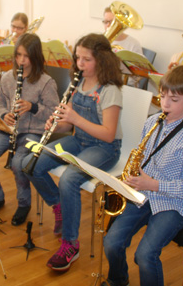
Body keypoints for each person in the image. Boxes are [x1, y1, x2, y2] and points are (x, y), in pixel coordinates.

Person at [93, 65, 183, 286]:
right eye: (163, 96)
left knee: (145, 255)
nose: (165, 104)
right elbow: (142, 157)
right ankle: (119, 278)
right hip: (142, 194)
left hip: (173, 203)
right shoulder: (151, 123)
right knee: (112, 241)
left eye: (174, 99)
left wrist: (153, 184)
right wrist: (130, 179)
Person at [24, 33, 124, 271]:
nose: (80, 64)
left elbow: (109, 133)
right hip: (79, 140)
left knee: (69, 178)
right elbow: (68, 125)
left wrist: (75, 118)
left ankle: (71, 244)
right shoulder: (77, 82)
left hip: (105, 148)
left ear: (101, 60)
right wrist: (56, 125)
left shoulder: (110, 90)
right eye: (77, 58)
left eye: (86, 59)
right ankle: (59, 206)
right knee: (31, 163)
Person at [0, 33, 59, 225]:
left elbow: (54, 112)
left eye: (26, 56)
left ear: (35, 56)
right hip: (10, 128)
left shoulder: (46, 82)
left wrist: (33, 107)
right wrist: (3, 115)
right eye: (18, 55)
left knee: (18, 163)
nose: (21, 60)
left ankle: (24, 204)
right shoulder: (8, 78)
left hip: (34, 131)